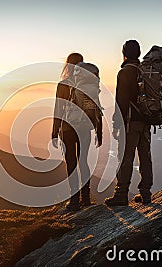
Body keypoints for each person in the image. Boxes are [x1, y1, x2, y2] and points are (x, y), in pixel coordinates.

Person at [52, 53, 103, 211]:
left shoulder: (63, 84)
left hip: (67, 128)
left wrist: (54, 132)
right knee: (83, 162)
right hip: (85, 127)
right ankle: (86, 199)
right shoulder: (90, 84)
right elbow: (97, 108)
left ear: (68, 66)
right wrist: (99, 131)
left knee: (71, 163)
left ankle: (74, 201)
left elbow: (58, 109)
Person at [105, 40, 153, 206]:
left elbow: (121, 102)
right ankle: (146, 193)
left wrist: (116, 124)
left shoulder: (125, 72)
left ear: (124, 53)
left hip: (130, 122)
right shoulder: (145, 71)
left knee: (126, 157)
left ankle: (121, 194)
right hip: (146, 121)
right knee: (145, 157)